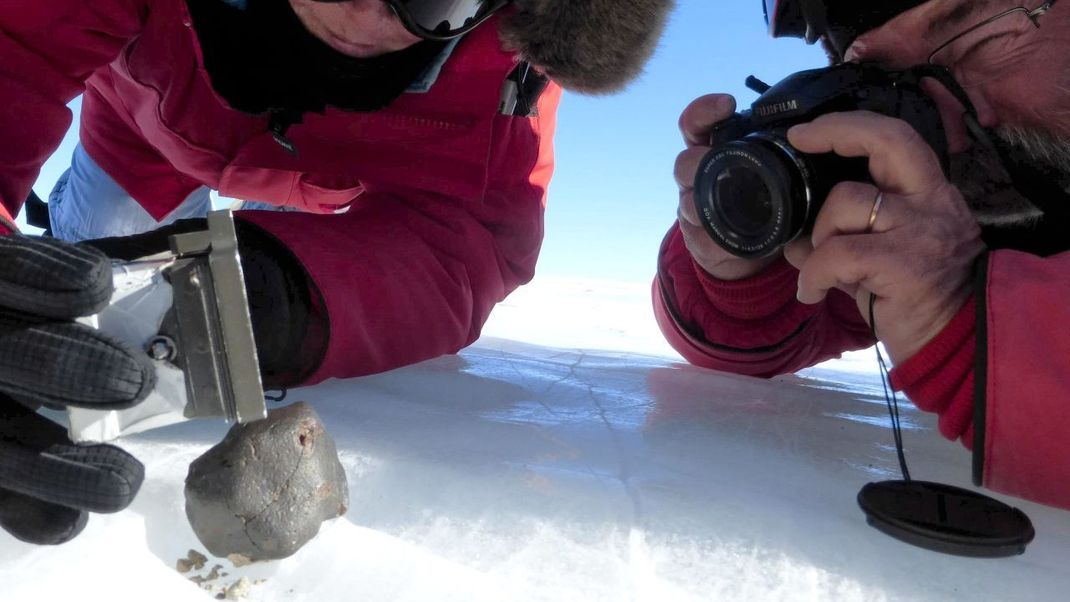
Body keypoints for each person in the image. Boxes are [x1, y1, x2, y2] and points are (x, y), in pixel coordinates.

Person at [0, 0, 675, 544]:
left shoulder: (507, 64)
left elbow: (471, 240)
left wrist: (278, 298)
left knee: (129, 319)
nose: (367, 18)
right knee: (81, 272)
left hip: (310, 188)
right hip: (142, 139)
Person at [656, 0, 1070, 510]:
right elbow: (755, 340)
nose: (951, 130)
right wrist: (744, 271)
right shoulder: (934, 206)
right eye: (899, 91)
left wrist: (971, 326)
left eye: (987, 44)